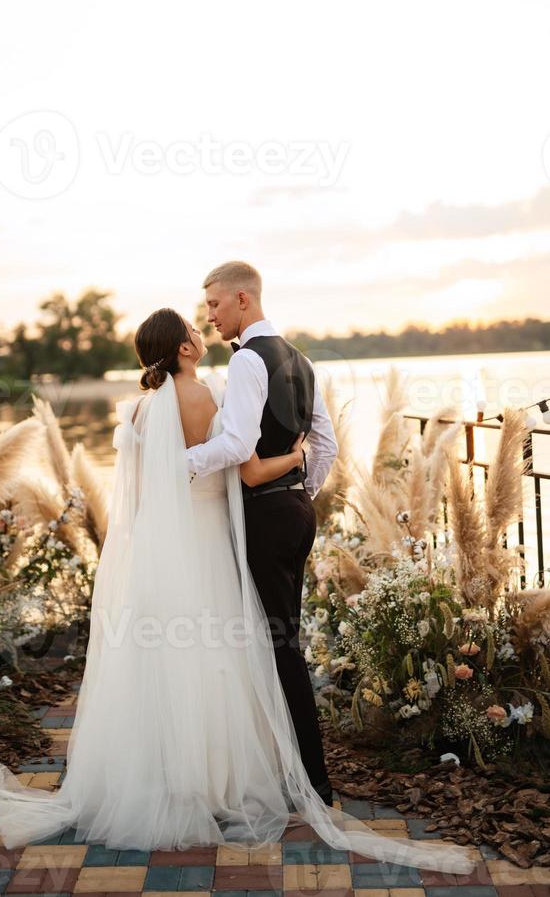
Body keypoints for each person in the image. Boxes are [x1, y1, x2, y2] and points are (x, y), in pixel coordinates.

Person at [0, 305, 477, 873]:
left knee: (164, 654)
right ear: (182, 349)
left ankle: (156, 776)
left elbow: (142, 492)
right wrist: (300, 457)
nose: (200, 332)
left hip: (161, 547)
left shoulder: (136, 410)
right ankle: (218, 780)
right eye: (192, 330)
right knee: (220, 653)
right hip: (207, 538)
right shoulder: (204, 397)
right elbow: (243, 467)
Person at [186, 261, 337, 804]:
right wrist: (302, 493)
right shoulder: (299, 357)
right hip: (296, 512)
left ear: (243, 300)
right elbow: (328, 445)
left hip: (267, 515)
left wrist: (175, 464)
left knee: (280, 646)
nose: (209, 316)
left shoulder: (250, 359)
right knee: (282, 641)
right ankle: (288, 767)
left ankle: (313, 782)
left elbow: (235, 445)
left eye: (215, 305)